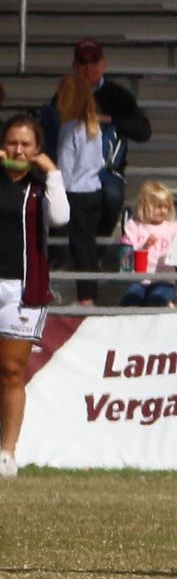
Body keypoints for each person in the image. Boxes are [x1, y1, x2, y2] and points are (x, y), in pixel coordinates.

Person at [0, 115, 69, 477]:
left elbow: (60, 218)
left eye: (26, 144)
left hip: (23, 290)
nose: (19, 150)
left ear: (37, 149)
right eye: (12, 142)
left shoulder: (41, 187)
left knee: (11, 371)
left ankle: (7, 453)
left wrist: (52, 171)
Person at [41, 72, 119, 306]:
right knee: (87, 243)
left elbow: (65, 166)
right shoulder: (93, 126)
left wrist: (55, 187)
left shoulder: (69, 128)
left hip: (74, 192)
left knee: (79, 245)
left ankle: (86, 297)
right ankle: (88, 294)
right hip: (94, 189)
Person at [119, 180, 177, 308]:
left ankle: (165, 303)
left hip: (164, 280)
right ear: (145, 206)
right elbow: (126, 262)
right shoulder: (133, 227)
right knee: (130, 302)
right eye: (159, 206)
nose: (163, 211)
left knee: (156, 301)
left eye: (166, 206)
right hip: (139, 280)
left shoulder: (173, 228)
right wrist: (145, 248)